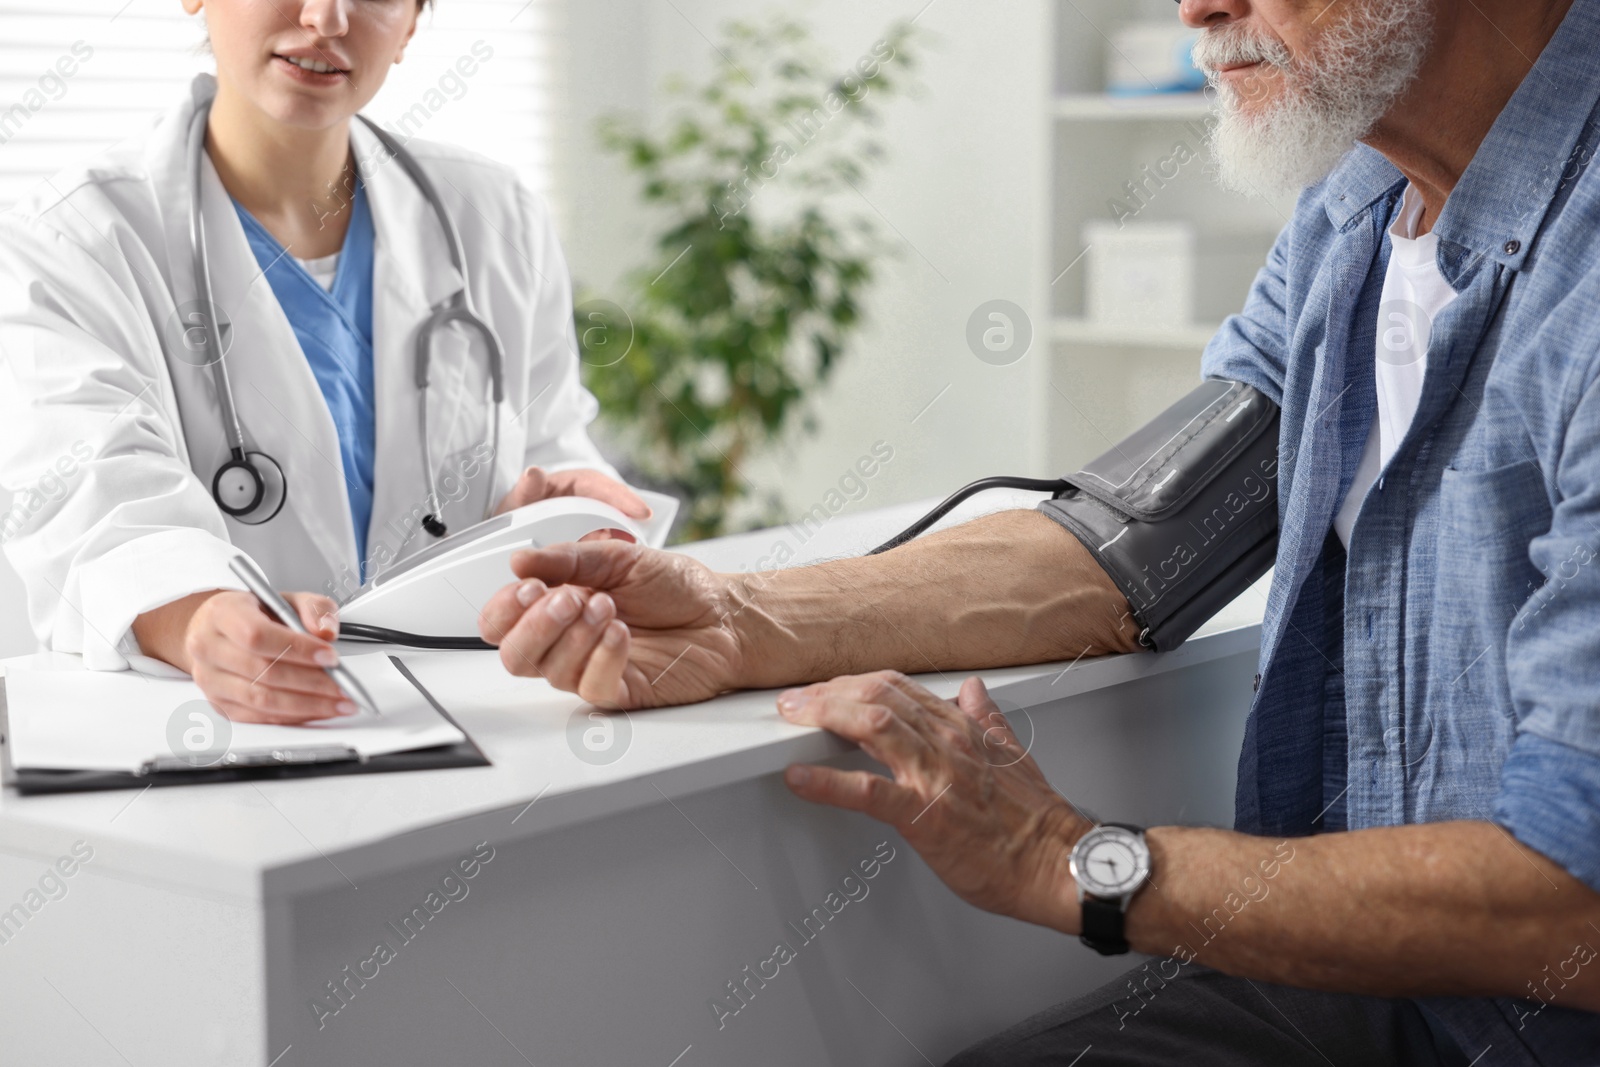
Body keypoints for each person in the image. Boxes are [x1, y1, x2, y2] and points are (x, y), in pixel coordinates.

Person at [475, 0, 1600, 1061]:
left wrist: (1068, 859)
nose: (1194, 6)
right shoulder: (1355, 212)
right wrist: (742, 613)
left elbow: (1578, 892)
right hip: (1381, 1005)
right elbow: (1135, 541)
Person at [0, 0, 647, 725]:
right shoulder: (70, 242)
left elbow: (552, 442)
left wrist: (559, 523)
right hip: (208, 735)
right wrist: (201, 621)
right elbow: (90, 505)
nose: (328, 17)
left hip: (488, 720)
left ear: (411, 24)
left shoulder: (494, 214)